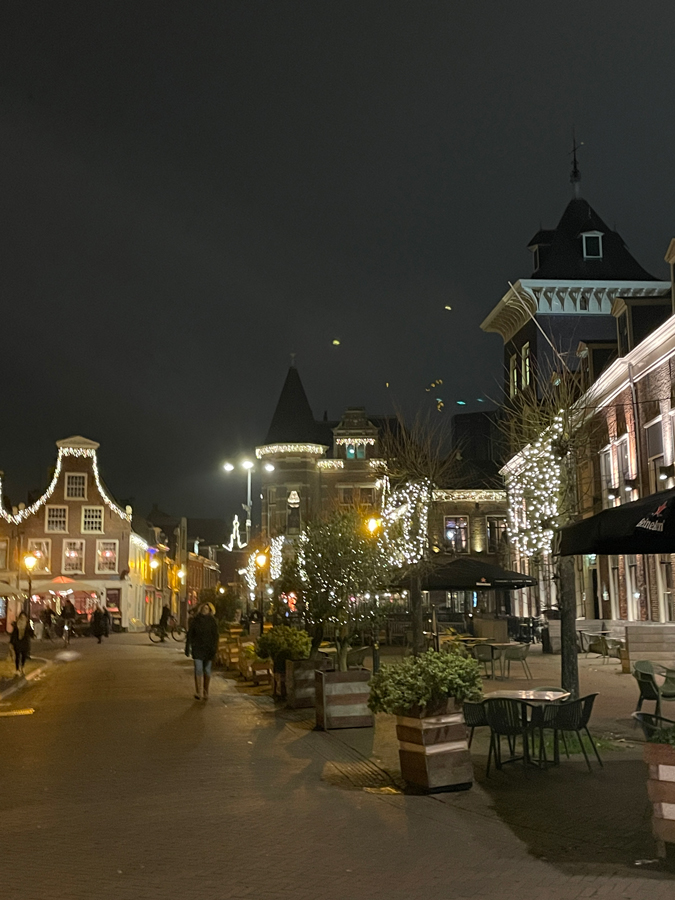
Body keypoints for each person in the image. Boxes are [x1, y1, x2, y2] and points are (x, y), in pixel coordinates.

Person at [185, 603, 219, 700]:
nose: (205, 610)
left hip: (209, 650)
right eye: (204, 608)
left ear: (210, 610)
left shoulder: (212, 622)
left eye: (207, 608)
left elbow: (215, 636)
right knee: (198, 669)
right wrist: (188, 647)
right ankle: (198, 691)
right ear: (201, 609)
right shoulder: (196, 620)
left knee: (207, 671)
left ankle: (206, 691)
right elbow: (190, 634)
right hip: (198, 649)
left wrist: (215, 648)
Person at [9, 611, 34, 676]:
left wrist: (31, 630)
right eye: (21, 617)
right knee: (17, 656)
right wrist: (11, 642)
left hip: (25, 642)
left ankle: (22, 667)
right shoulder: (16, 624)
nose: (23, 618)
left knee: (24, 656)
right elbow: (13, 634)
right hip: (18, 642)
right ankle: (17, 669)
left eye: (24, 617)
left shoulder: (27, 624)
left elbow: (31, 634)